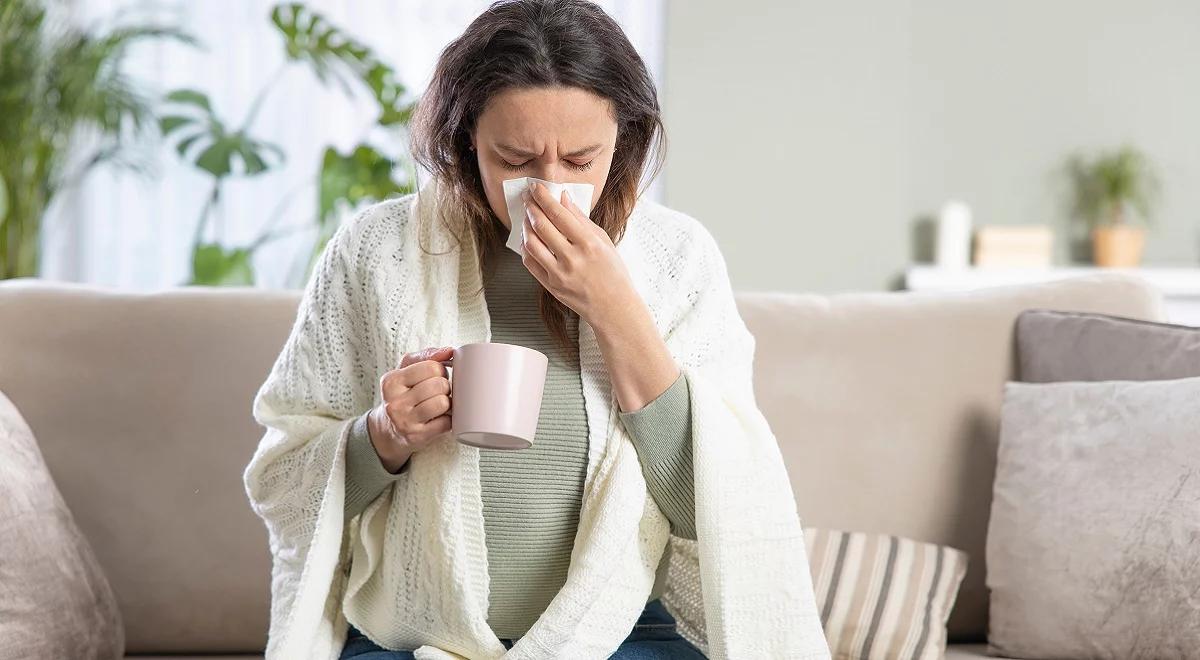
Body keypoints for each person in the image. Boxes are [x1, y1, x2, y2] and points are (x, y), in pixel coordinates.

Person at [243, 1, 830, 659]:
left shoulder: (677, 259)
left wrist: (615, 311)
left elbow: (716, 509)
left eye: (581, 159)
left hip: (622, 635)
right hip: (413, 637)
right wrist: (384, 434)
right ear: (466, 141)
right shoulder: (376, 251)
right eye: (515, 158)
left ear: (624, 138)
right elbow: (282, 478)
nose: (549, 189)